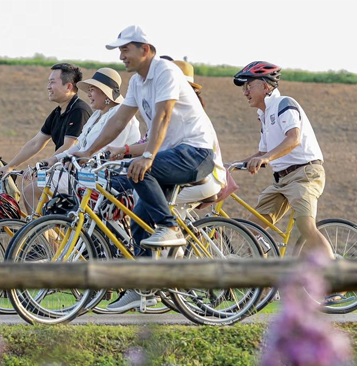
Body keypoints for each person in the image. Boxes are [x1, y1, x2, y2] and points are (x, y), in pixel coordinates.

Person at [72, 25, 219, 312]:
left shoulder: (165, 71)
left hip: (195, 152)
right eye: (120, 51)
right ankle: (144, 289)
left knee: (138, 170)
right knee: (139, 225)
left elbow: (163, 115)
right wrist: (88, 151)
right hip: (172, 156)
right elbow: (118, 122)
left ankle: (170, 226)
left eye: (125, 50)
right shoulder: (138, 83)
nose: (121, 57)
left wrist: (148, 156)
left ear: (145, 50)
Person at [230, 61, 333, 259]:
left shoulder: (284, 104)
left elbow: (293, 139)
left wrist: (267, 158)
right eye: (244, 87)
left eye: (249, 86)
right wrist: (231, 165)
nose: (245, 92)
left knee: (305, 226)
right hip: (281, 181)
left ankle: (339, 277)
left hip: (305, 174)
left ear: (266, 86)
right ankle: (269, 288)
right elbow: (262, 153)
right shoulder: (264, 114)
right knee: (252, 229)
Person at [106, 58, 226, 207]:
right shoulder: (170, 109)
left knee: (139, 192)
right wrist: (126, 150)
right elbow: (152, 141)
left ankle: (166, 226)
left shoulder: (183, 113)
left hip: (205, 175)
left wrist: (128, 151)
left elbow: (159, 142)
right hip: (193, 170)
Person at [0, 63, 92, 208]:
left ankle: (41, 230)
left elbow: (69, 146)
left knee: (30, 192)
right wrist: (10, 166)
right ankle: (45, 229)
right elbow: (36, 143)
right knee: (48, 212)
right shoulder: (57, 112)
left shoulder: (79, 111)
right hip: (62, 171)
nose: (48, 87)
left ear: (68, 87)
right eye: (48, 82)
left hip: (78, 174)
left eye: (52, 82)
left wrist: (44, 165)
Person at [38, 67, 141, 194]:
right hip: (88, 175)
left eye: (92, 90)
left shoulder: (121, 115)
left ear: (105, 93)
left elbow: (109, 153)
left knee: (40, 187)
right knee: (45, 188)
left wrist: (81, 160)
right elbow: (80, 146)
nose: (88, 94)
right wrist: (55, 159)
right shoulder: (96, 115)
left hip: (112, 180)